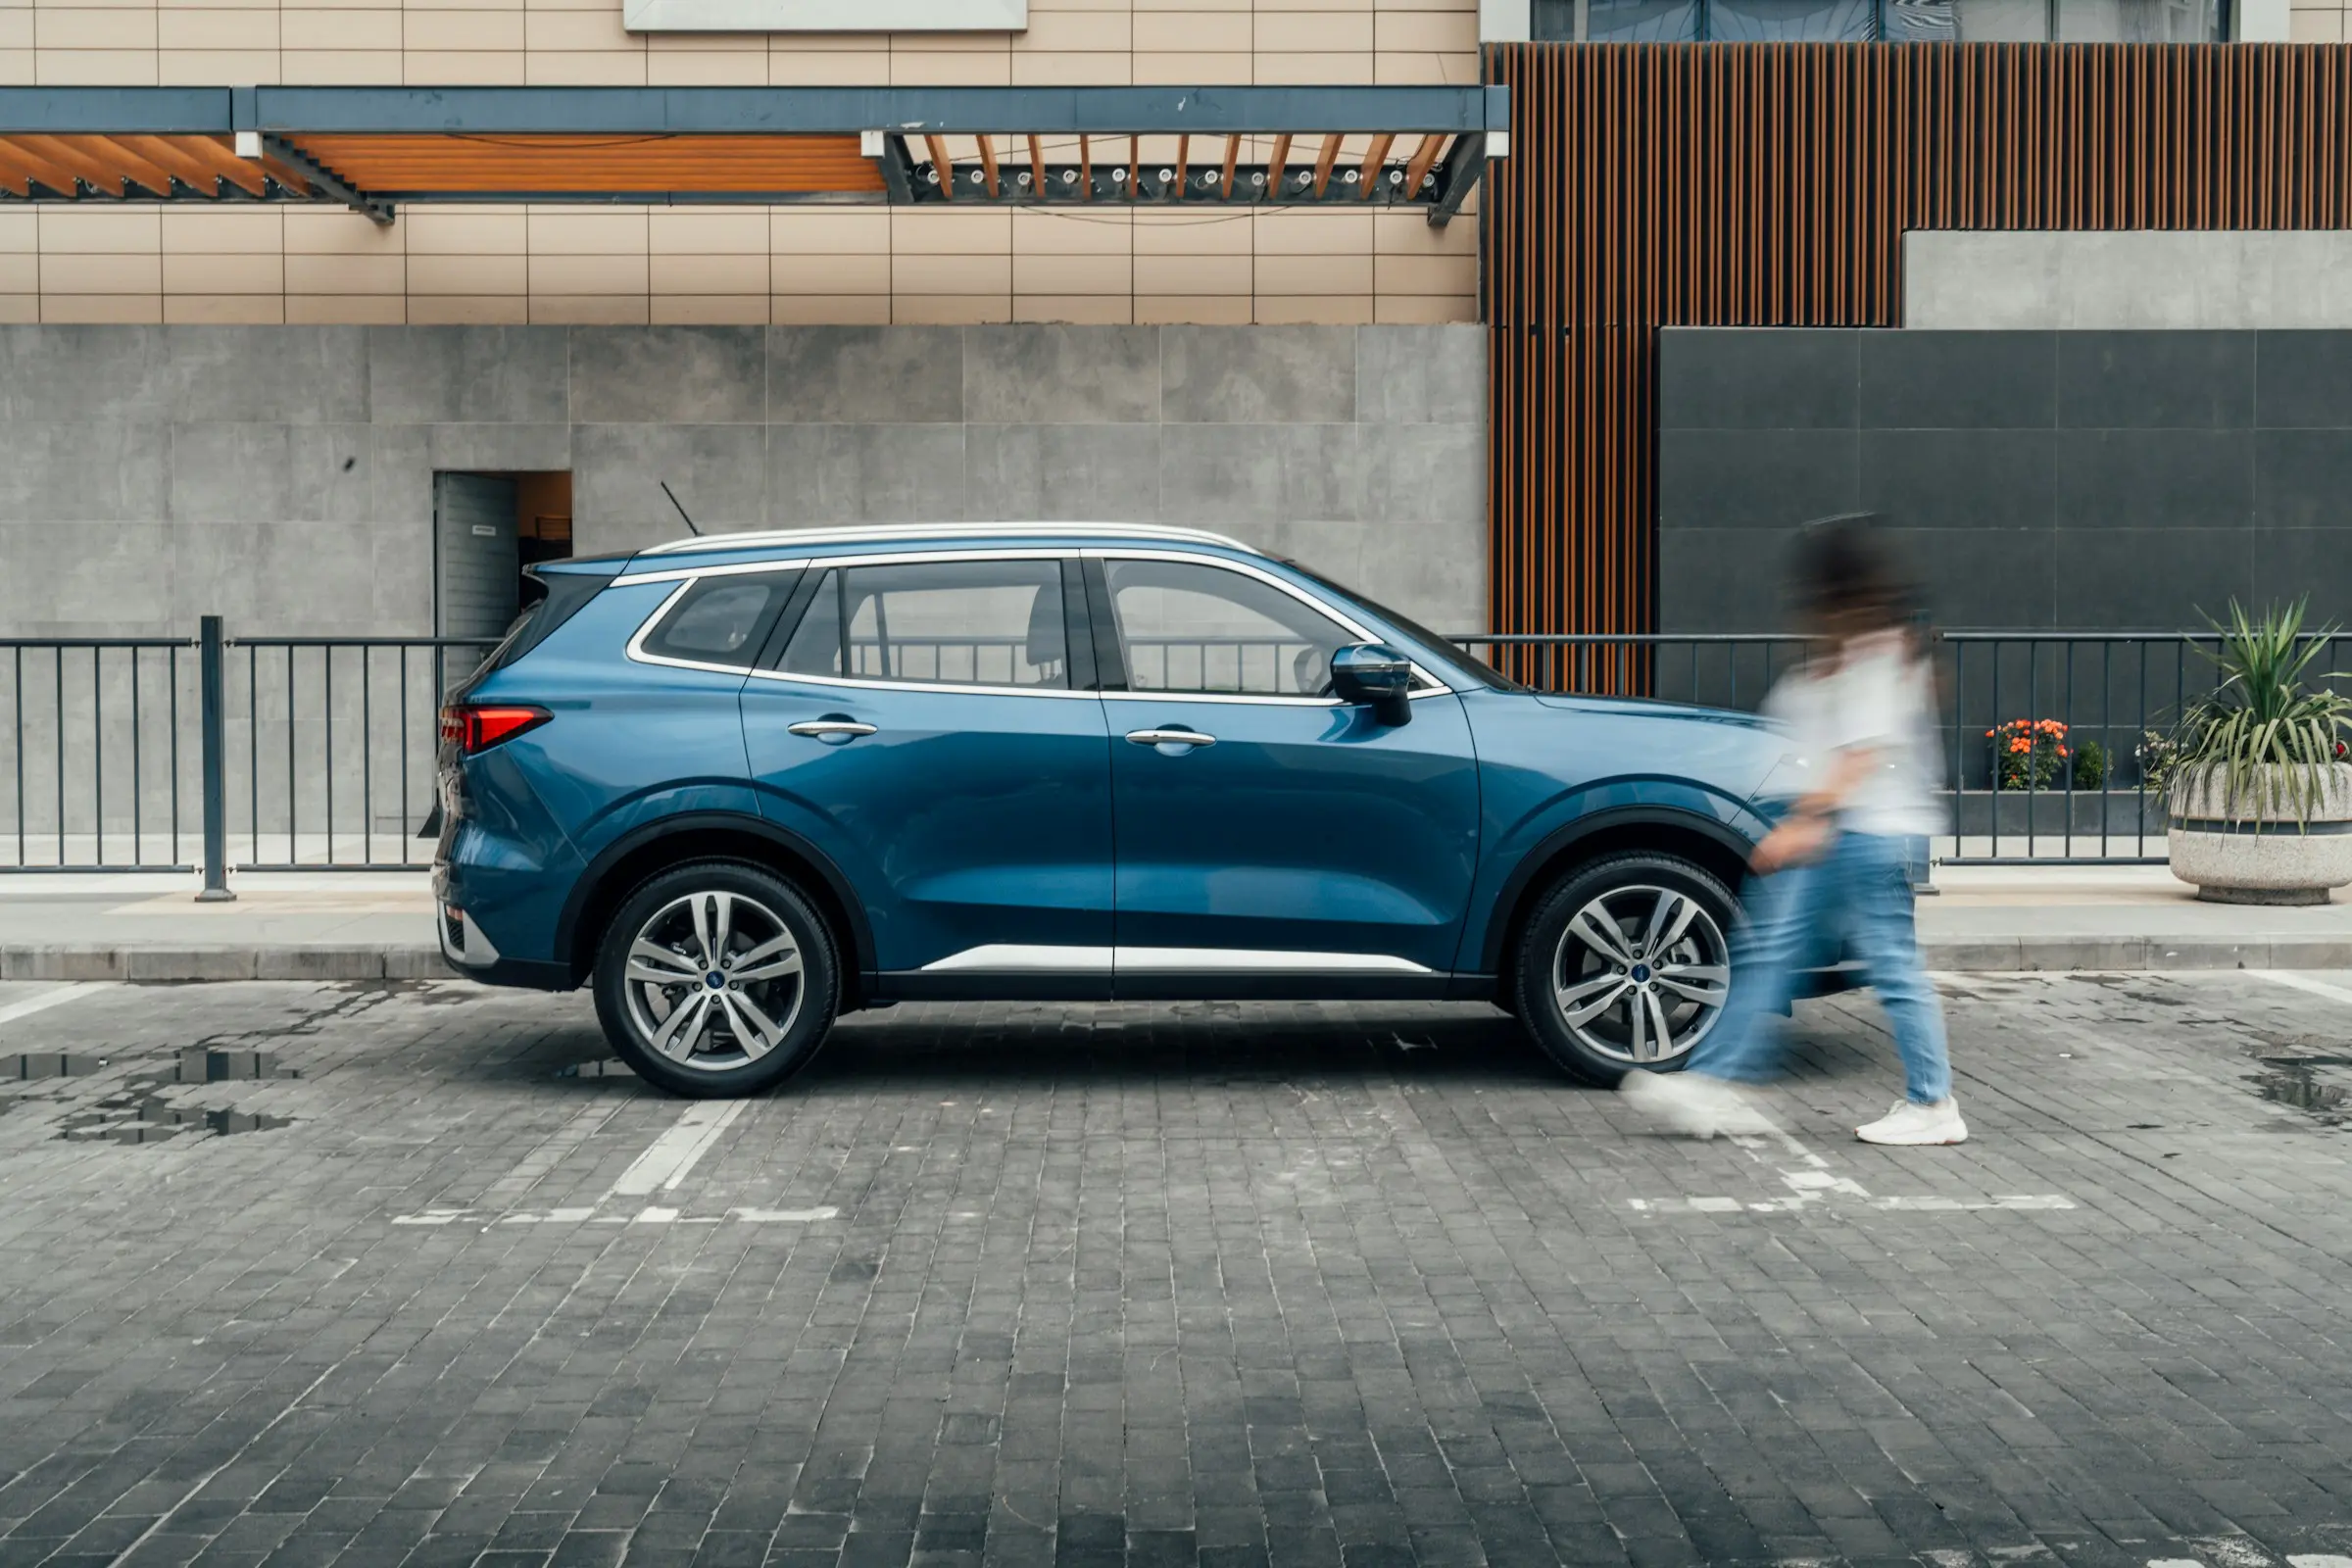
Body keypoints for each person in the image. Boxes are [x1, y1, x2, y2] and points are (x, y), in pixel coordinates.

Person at [1620, 517, 1963, 1147]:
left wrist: (1804, 822)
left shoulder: (1877, 653)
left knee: (1878, 964)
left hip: (1868, 832)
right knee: (1776, 955)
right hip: (1845, 831)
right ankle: (1715, 1082)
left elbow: (1864, 752)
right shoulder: (1850, 655)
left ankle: (1933, 1103)